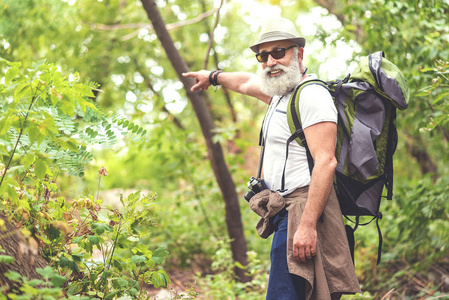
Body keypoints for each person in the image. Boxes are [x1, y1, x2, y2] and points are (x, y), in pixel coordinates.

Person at [183, 16, 361, 300]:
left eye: (279, 52)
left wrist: (306, 226)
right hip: (284, 212)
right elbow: (244, 82)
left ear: (299, 53)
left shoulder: (311, 95)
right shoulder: (282, 95)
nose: (270, 61)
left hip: (302, 210)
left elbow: (326, 162)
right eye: (263, 55)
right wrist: (213, 76)